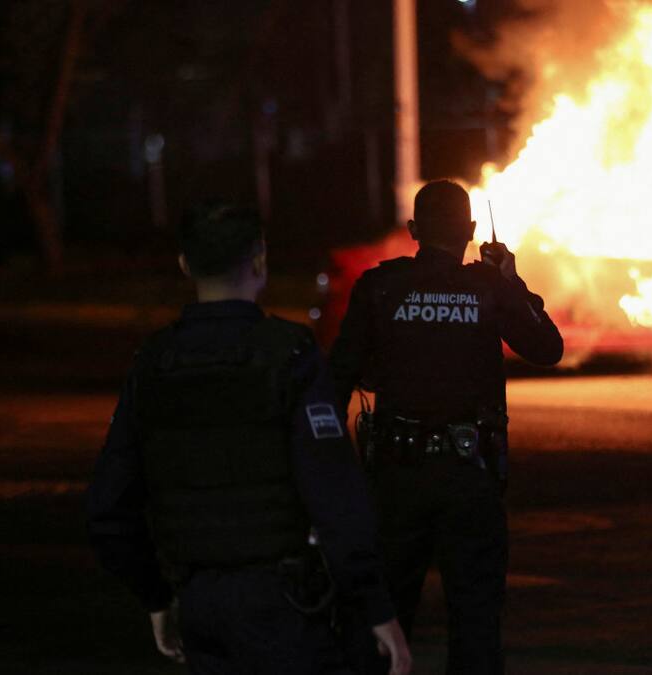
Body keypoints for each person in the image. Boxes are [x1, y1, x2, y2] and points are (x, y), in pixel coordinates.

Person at [86, 202, 411, 675]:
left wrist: (156, 596)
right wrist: (374, 605)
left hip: (198, 604)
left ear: (184, 264)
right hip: (284, 608)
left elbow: (107, 509)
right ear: (260, 260)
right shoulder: (289, 354)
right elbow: (334, 494)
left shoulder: (153, 363)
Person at [328, 180, 563, 673]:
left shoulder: (380, 287)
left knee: (384, 619)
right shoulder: (488, 287)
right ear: (471, 231)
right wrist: (511, 280)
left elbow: (336, 381)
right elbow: (548, 348)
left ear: (414, 230)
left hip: (397, 479)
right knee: (475, 622)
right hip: (469, 478)